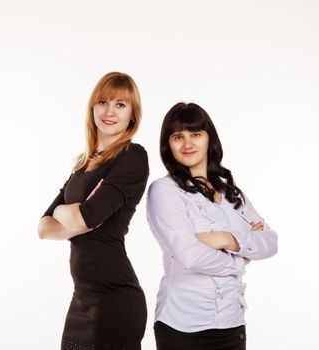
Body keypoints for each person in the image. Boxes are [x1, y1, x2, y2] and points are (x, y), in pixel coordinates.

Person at [147, 102, 278, 350]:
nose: (187, 144)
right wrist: (241, 259)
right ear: (168, 145)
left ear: (209, 139)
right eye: (178, 137)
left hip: (232, 322)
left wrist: (227, 238)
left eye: (195, 134)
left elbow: (271, 242)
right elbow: (190, 256)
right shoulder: (164, 191)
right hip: (182, 325)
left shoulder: (231, 194)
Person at [38, 72, 149, 350]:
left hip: (115, 300)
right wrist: (72, 212)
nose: (109, 111)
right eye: (103, 102)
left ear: (133, 115)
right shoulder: (82, 165)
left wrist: (72, 214)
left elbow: (86, 218)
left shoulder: (132, 157)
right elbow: (43, 227)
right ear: (93, 108)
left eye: (121, 105)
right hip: (82, 298)